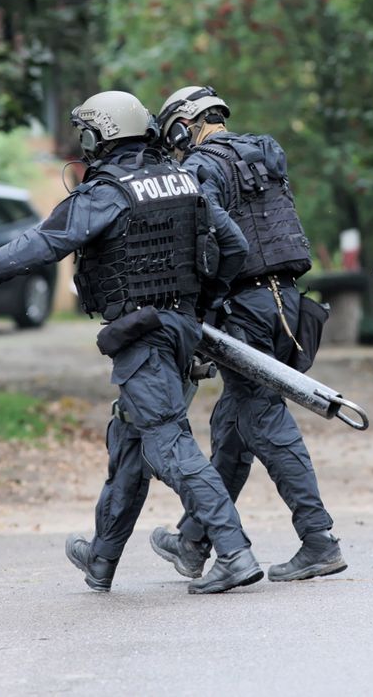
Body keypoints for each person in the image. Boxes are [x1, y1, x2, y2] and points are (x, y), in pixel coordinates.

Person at [0, 90, 264, 595]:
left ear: (100, 135)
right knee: (132, 443)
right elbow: (235, 247)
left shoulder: (108, 192)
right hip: (178, 330)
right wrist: (202, 307)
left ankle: (235, 552)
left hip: (141, 335)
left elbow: (43, 244)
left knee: (166, 442)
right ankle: (102, 559)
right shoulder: (186, 179)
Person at [145, 85, 346, 583]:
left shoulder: (199, 168)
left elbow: (208, 244)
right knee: (233, 427)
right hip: (286, 302)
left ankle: (319, 540)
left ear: (181, 125)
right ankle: (194, 541)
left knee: (264, 419)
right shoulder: (260, 155)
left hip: (245, 307)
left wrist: (202, 307)